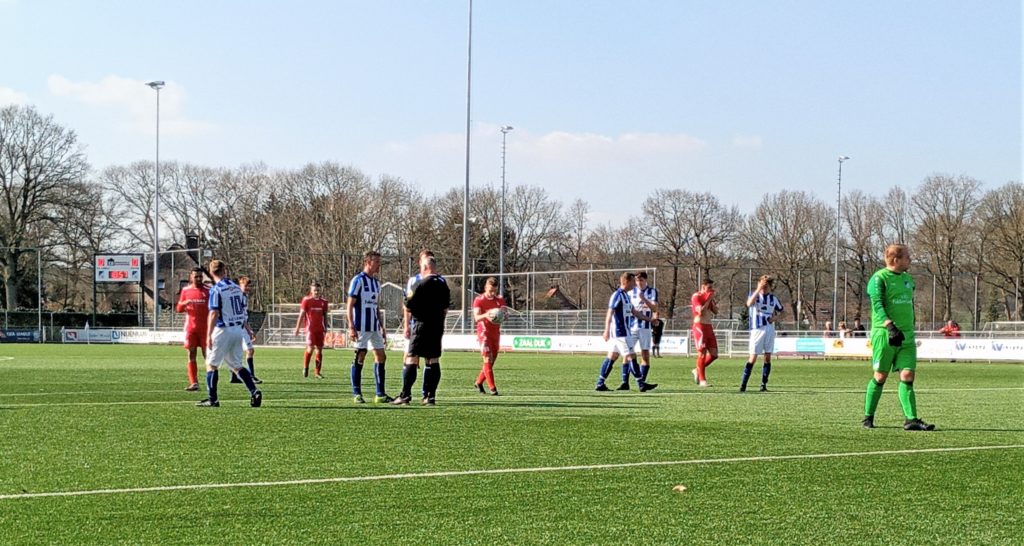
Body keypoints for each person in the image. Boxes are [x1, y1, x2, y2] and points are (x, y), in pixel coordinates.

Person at [863, 244, 935, 431]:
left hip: (907, 335)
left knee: (908, 374)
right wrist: (889, 325)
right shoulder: (879, 278)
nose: (910, 260)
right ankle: (868, 417)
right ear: (896, 260)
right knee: (880, 376)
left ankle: (911, 419)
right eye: (907, 257)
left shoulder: (908, 279)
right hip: (885, 333)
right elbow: (877, 304)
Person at [196, 260, 262, 408]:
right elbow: (242, 311)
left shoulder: (216, 290)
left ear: (211, 272)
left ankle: (212, 399)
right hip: (237, 330)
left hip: (223, 330)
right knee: (237, 365)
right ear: (224, 271)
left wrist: (208, 334)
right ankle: (254, 391)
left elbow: (214, 313)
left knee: (211, 365)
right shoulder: (237, 288)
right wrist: (247, 328)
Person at [394, 255, 450, 406]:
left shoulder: (420, 284)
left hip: (421, 325)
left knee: (411, 358)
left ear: (425, 267)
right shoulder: (443, 285)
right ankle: (430, 397)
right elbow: (445, 308)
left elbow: (408, 305)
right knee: (433, 359)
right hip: (437, 326)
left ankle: (405, 395)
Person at [595, 272, 657, 392]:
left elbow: (635, 312)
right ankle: (641, 384)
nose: (635, 284)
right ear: (627, 282)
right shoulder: (617, 295)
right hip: (621, 332)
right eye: (633, 281)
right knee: (631, 356)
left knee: (612, 356)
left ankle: (600, 383)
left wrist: (650, 320)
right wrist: (606, 330)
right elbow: (610, 313)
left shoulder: (626, 296)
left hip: (622, 332)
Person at [346, 251, 393, 404]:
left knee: (381, 356)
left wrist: (382, 326)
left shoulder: (376, 283)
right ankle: (357, 393)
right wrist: (351, 326)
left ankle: (380, 394)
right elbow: (350, 305)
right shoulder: (358, 280)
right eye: (377, 262)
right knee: (360, 355)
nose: (379, 265)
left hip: (374, 326)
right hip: (361, 326)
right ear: (368, 262)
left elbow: (376, 306)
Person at [740, 275, 783, 392]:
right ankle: (743, 385)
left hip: (769, 329)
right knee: (753, 357)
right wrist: (758, 289)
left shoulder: (773, 299)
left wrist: (774, 319)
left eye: (766, 285)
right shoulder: (754, 295)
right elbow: (749, 303)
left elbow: (782, 312)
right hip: (757, 329)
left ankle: (763, 385)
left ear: (770, 286)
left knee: (767, 357)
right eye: (762, 284)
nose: (764, 287)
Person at [619, 271, 659, 390]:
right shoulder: (631, 292)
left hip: (645, 327)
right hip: (631, 327)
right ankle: (625, 382)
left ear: (646, 280)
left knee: (645, 354)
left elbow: (655, 308)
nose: (639, 283)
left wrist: (644, 299)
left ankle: (641, 382)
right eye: (637, 280)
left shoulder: (652, 291)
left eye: (641, 280)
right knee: (627, 354)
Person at [175, 268, 209, 392]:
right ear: (191, 277)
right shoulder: (185, 290)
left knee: (208, 357)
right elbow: (178, 309)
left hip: (206, 329)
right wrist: (184, 303)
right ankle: (194, 382)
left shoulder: (209, 291)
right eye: (196, 277)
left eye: (200, 276)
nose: (199, 279)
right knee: (191, 354)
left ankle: (210, 383)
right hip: (191, 329)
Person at [472, 277, 506, 395]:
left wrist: (504, 315)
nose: (492, 293)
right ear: (486, 287)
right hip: (484, 333)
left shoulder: (500, 300)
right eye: (490, 290)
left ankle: (479, 382)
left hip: (495, 334)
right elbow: (476, 317)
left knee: (491, 362)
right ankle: (493, 389)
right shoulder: (479, 300)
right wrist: (487, 314)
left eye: (494, 291)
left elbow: (504, 313)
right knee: (487, 359)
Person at [294, 281, 329, 379]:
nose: (316, 292)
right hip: (310, 329)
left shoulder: (324, 302)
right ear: (311, 291)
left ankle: (317, 372)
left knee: (319, 350)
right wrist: (297, 328)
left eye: (318, 290)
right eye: (315, 290)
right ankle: (306, 367)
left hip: (320, 329)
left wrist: (326, 327)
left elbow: (325, 315)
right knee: (310, 348)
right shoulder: (306, 300)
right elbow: (301, 315)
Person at [231, 276, 261, 384]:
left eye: (249, 286)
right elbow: (240, 316)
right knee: (249, 350)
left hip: (240, 326)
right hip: (239, 327)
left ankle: (234, 377)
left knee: (237, 352)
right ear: (240, 285)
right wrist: (248, 329)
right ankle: (251, 376)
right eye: (246, 285)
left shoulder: (242, 296)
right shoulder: (239, 296)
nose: (248, 288)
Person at [691, 278, 718, 387]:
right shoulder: (696, 296)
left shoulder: (709, 297)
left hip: (709, 327)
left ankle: (697, 370)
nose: (711, 289)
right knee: (702, 353)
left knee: (714, 354)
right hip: (700, 327)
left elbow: (716, 311)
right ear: (703, 287)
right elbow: (700, 312)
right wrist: (708, 299)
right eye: (709, 287)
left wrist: (711, 300)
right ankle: (702, 380)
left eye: (712, 287)